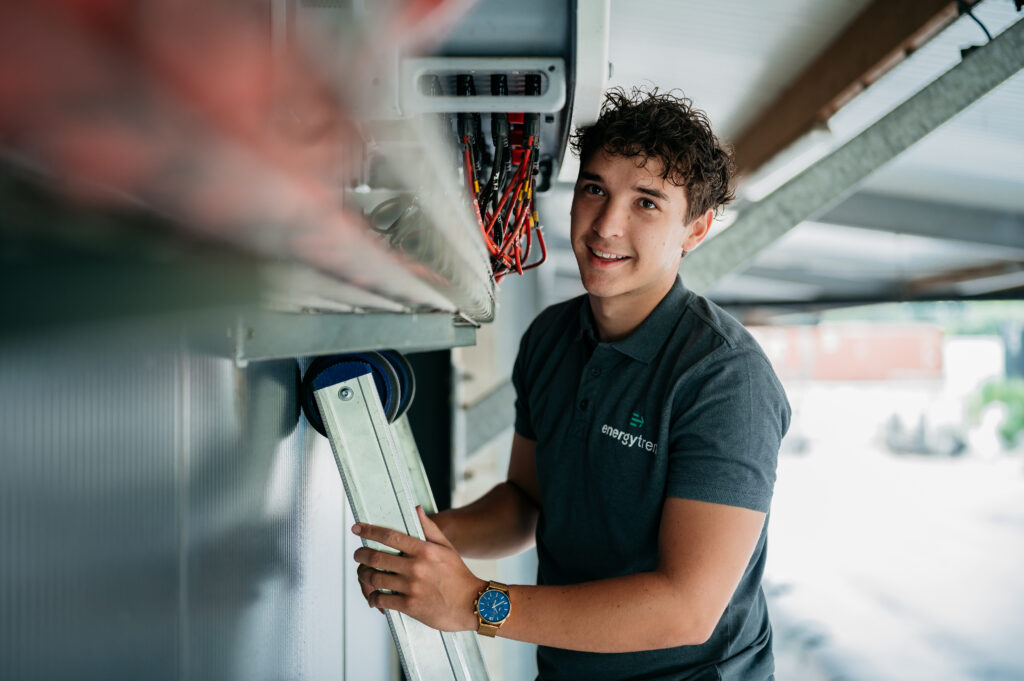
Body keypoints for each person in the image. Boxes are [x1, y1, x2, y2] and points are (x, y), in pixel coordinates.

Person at [352, 87, 791, 681]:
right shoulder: (552, 338)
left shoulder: (724, 377)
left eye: (647, 203)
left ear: (697, 228)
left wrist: (475, 602)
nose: (607, 224)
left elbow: (686, 609)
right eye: (595, 189)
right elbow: (527, 503)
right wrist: (423, 543)